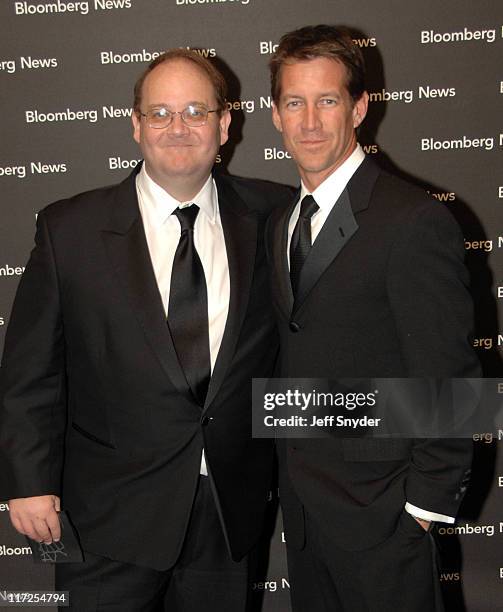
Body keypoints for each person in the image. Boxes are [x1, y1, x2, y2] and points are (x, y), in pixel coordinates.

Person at [0, 49, 291, 611]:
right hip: (107, 515)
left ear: (224, 124)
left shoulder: (274, 214)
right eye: (159, 113)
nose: (177, 128)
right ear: (135, 125)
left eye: (195, 112)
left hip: (227, 512)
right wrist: (28, 480)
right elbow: (30, 370)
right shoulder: (70, 229)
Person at [266, 24, 480, 612]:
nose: (310, 121)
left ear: (360, 108)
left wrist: (425, 507)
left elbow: (451, 373)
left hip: (386, 518)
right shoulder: (279, 222)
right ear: (276, 115)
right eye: (295, 102)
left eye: (328, 100)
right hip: (306, 515)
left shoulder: (412, 220)